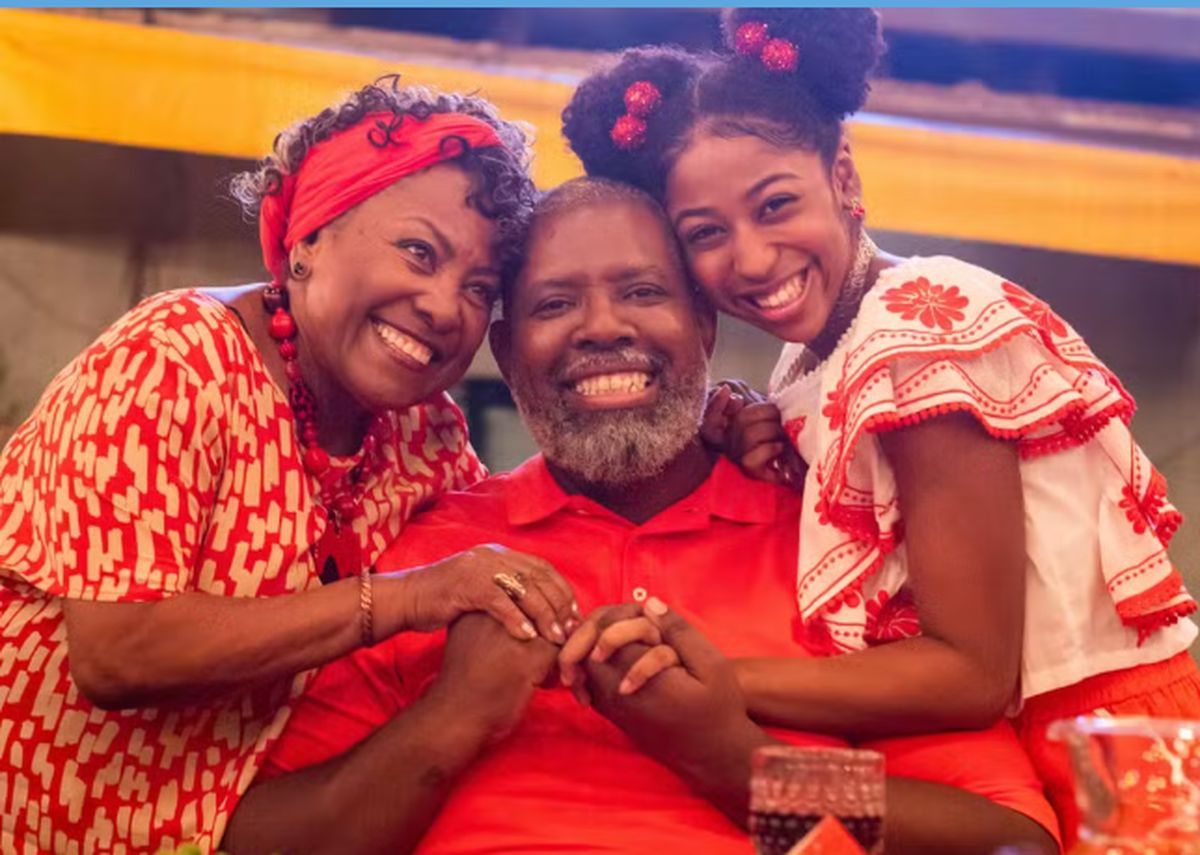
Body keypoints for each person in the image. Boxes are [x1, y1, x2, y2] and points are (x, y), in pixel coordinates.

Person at [222, 178, 1060, 855]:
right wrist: (453, 717)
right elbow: (255, 838)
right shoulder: (433, 558)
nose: (602, 327)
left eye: (642, 292)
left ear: (703, 326)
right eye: (553, 305)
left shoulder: (831, 544)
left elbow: (1006, 840)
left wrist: (733, 763)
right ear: (507, 355)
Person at [559, 8, 1200, 843]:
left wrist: (711, 691)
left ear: (845, 175)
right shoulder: (814, 358)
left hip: (1101, 744)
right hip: (1007, 749)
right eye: (706, 234)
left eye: (776, 204)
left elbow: (971, 673)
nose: (751, 258)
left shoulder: (918, 329)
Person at [0, 78, 579, 853]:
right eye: (419, 251)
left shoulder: (424, 431)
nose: (446, 306)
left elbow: (509, 532)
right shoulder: (176, 357)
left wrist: (712, 436)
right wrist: (405, 598)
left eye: (479, 287)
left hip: (245, 814)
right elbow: (119, 649)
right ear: (309, 237)